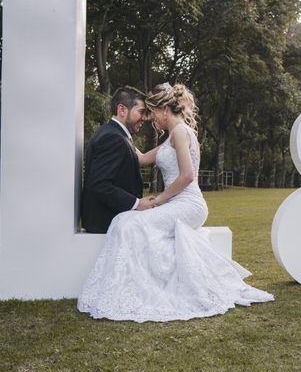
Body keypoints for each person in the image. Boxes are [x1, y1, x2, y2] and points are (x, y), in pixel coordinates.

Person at [78, 83, 273, 322]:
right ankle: (139, 285)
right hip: (175, 203)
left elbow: (187, 176)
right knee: (125, 220)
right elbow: (139, 157)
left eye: (152, 113)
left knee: (130, 225)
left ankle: (141, 289)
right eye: (144, 113)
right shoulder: (172, 136)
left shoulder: (181, 132)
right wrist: (119, 132)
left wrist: (158, 200)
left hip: (189, 204)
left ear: (163, 110)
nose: (151, 119)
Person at [81, 86, 156, 233]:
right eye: (141, 112)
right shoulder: (113, 138)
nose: (145, 118)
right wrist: (137, 204)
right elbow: (99, 184)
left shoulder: (114, 134)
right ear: (122, 110)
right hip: (105, 224)